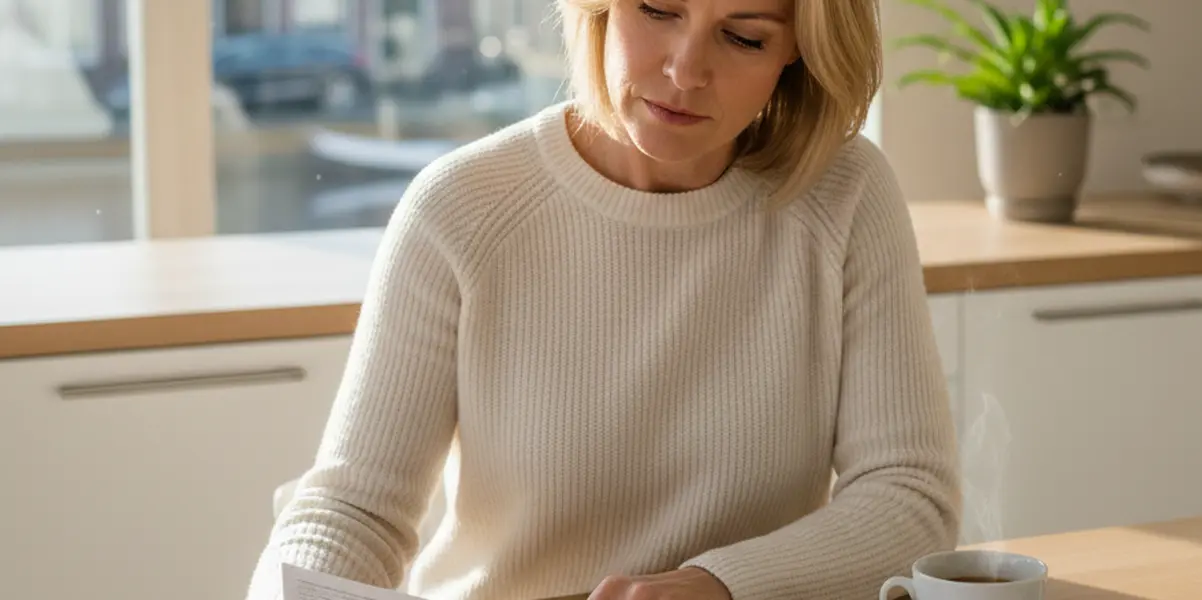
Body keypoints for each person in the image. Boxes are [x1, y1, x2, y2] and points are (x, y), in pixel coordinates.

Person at [244, 0, 961, 598]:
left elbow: (908, 497)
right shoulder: (460, 209)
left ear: (798, 48)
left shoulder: (844, 194)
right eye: (657, 10)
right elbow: (355, 511)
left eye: (744, 37)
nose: (685, 71)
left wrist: (718, 586)